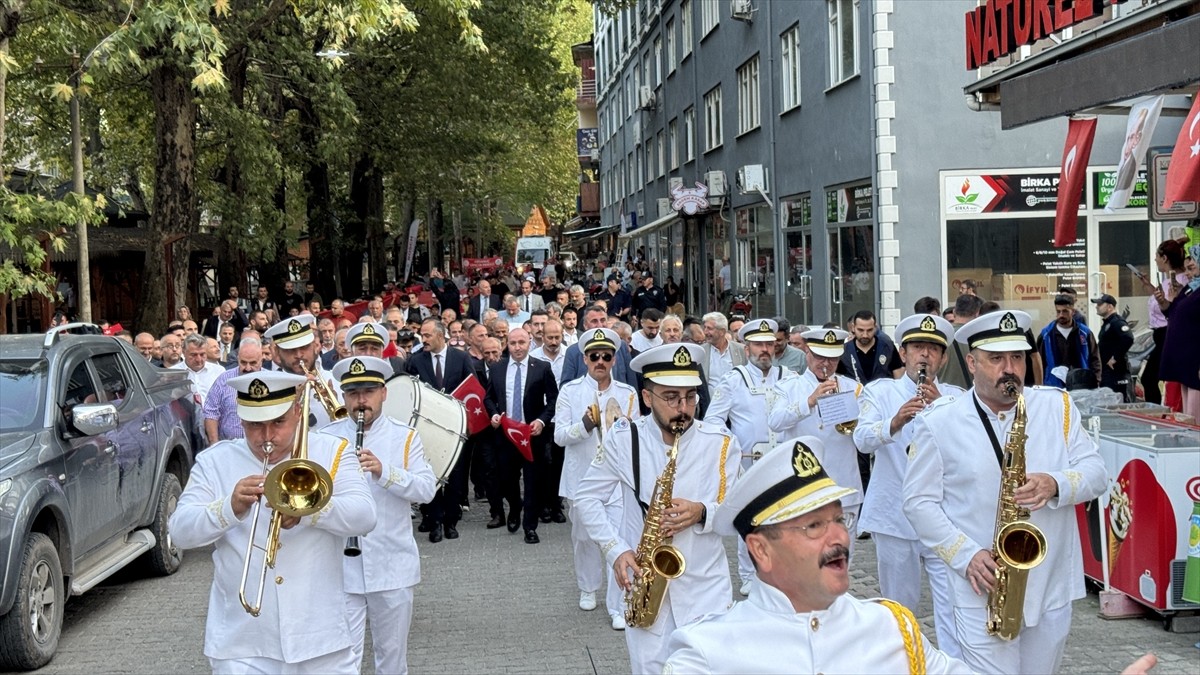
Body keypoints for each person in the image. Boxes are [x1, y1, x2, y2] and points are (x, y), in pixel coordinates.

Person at [903, 310, 1106, 674]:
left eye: (1016, 357)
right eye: (996, 359)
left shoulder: (1056, 407)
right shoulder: (939, 422)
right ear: (971, 362)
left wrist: (1056, 483)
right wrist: (965, 555)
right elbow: (918, 503)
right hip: (981, 585)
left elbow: (1096, 473)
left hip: (1050, 586)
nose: (1009, 369)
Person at [662, 436, 972, 674]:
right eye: (813, 526)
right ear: (761, 550)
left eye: (839, 520)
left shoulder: (890, 628)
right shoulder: (706, 652)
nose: (839, 537)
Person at [168, 370, 376, 673]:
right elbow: (180, 532)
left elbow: (365, 516)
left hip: (320, 639)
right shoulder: (215, 461)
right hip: (242, 643)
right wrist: (229, 507)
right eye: (254, 425)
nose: (266, 436)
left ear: (296, 412)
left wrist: (312, 510)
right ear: (240, 419)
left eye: (278, 422)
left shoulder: (332, 451)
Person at [573, 343, 741, 674]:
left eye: (690, 397)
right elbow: (587, 498)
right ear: (648, 398)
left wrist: (703, 512)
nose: (684, 408)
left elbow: (738, 514)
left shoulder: (721, 444)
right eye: (671, 397)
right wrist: (616, 551)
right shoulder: (625, 439)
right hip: (646, 590)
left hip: (706, 589)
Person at [853, 313, 965, 656]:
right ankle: (901, 663)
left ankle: (952, 664)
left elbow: (968, 449)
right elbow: (861, 439)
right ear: (903, 353)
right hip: (895, 516)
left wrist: (942, 409)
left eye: (933, 350)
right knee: (899, 608)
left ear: (943, 358)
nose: (925, 356)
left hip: (944, 520)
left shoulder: (958, 398)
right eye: (917, 348)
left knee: (953, 608)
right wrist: (896, 420)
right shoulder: (881, 392)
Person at [322, 356, 436, 675]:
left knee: (392, 656)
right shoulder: (327, 438)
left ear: (383, 393)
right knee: (343, 657)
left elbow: (426, 489)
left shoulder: (405, 436)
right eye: (354, 392)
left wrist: (384, 471)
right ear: (344, 396)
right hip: (340, 566)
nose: (361, 400)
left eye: (369, 391)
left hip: (392, 563)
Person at [553, 328, 640, 629]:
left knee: (619, 538)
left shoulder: (628, 394)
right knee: (584, 538)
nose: (600, 361)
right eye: (594, 356)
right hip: (581, 478)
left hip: (617, 482)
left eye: (606, 356)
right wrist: (585, 426)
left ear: (615, 359)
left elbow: (637, 435)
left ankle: (617, 604)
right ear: (585, 359)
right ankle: (587, 587)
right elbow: (559, 436)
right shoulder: (570, 391)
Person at [706, 319, 797, 595]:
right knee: (749, 518)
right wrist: (733, 452)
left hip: (783, 462)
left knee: (783, 519)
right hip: (748, 461)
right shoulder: (733, 380)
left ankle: (780, 571)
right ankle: (748, 573)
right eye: (759, 344)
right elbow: (713, 422)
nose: (765, 350)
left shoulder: (790, 378)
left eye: (769, 344)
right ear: (747, 349)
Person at [768, 328, 864, 544]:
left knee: (842, 557)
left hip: (843, 485)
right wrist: (809, 402)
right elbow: (775, 422)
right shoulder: (789, 387)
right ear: (808, 353)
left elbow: (864, 437)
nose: (826, 364)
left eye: (833, 359)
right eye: (821, 356)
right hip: (804, 487)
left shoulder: (854, 388)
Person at [405, 318, 481, 542]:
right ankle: (435, 521)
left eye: (427, 335)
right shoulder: (416, 360)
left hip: (455, 430)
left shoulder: (461, 357)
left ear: (440, 335)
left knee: (456, 478)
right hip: (427, 430)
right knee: (431, 475)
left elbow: (472, 390)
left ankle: (451, 521)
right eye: (422, 335)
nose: (423, 340)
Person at [484, 327, 559, 544]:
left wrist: (542, 421)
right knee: (507, 480)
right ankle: (515, 507)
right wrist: (494, 414)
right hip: (506, 436)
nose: (518, 347)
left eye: (522, 343)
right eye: (513, 343)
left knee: (533, 482)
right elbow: (488, 398)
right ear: (507, 344)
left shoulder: (542, 368)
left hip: (532, 435)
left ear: (529, 343)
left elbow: (554, 399)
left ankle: (530, 526)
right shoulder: (497, 369)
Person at [263, 314, 342, 429]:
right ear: (277, 353)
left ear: (315, 346)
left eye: (304, 347)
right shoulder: (270, 390)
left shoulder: (336, 381)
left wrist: (335, 410)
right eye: (290, 350)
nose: (299, 355)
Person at [1139, 239, 1187, 405]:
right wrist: (1149, 287)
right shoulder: (1167, 282)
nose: (1155, 260)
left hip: (1168, 332)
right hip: (1160, 334)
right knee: (1153, 378)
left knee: (1150, 378)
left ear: (1164, 258)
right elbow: (1163, 302)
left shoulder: (1179, 282)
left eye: (1157, 256)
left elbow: (1170, 308)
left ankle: (1159, 414)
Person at [203, 337, 265, 445]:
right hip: (229, 447)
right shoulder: (224, 380)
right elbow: (210, 412)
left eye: (253, 363)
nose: (248, 368)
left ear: (262, 360)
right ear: (238, 358)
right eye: (243, 362)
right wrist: (214, 444)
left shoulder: (271, 380)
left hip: (262, 448)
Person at [1036, 294, 1100, 389]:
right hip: (1053, 386)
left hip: (1081, 385)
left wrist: (1096, 381)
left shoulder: (1085, 333)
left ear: (1073, 312)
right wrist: (1039, 385)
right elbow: (1039, 362)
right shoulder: (1046, 334)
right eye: (1058, 311)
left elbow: (1095, 359)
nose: (1061, 315)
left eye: (1065, 311)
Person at [1092, 294, 1134, 401]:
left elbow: (1128, 338)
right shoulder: (1108, 323)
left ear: (1110, 307)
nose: (1097, 306)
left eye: (1100, 304)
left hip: (1117, 372)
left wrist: (1114, 358)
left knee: (1120, 401)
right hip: (1108, 371)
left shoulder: (1117, 322)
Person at [700, 312, 745, 383]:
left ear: (722, 332)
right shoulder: (701, 351)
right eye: (705, 327)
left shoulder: (741, 350)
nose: (705, 332)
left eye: (709, 328)